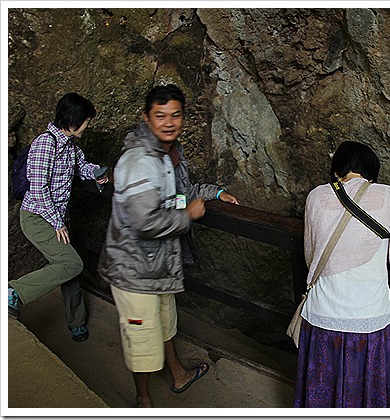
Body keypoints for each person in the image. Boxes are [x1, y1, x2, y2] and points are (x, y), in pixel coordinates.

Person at [97, 84, 239, 408]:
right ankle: (143, 401)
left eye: (175, 115)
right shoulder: (139, 161)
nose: (169, 122)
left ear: (183, 118)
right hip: (135, 270)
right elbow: (144, 223)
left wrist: (215, 193)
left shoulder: (169, 154)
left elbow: (180, 192)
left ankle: (177, 374)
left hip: (159, 264)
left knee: (165, 324)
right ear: (147, 118)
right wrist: (188, 216)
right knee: (142, 341)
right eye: (160, 116)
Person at [293, 141, 390, 408]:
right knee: (367, 396)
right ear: (371, 175)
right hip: (369, 317)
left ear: (337, 172)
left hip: (323, 314)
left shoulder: (315, 197)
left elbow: (311, 256)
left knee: (323, 393)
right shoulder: (389, 196)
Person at [8, 92, 108, 342]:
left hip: (58, 219)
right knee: (72, 264)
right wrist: (57, 222)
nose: (88, 125)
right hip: (37, 217)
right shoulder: (45, 144)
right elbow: (38, 190)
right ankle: (13, 292)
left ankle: (76, 321)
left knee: (69, 265)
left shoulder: (70, 147)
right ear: (74, 121)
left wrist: (96, 172)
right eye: (86, 120)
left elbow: (81, 168)